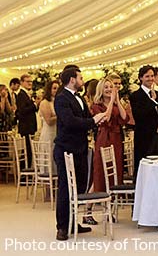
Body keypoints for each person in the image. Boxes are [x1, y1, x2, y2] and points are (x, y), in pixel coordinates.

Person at [53, 67, 108, 241]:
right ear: (72, 80)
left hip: (81, 148)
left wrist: (97, 120)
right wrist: (93, 120)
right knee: (65, 188)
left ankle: (73, 222)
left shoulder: (80, 98)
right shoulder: (61, 99)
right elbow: (70, 122)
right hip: (65, 149)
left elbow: (85, 119)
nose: (82, 80)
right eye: (80, 77)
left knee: (79, 187)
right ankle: (62, 227)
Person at [129, 65, 158, 174]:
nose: (150, 79)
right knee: (144, 166)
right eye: (147, 76)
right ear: (141, 78)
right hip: (144, 137)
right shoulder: (136, 96)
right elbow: (139, 116)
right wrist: (152, 101)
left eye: (152, 76)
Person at [90, 78, 127, 194]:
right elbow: (106, 119)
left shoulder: (116, 104)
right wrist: (111, 101)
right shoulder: (96, 106)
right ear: (101, 89)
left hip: (116, 138)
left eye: (111, 87)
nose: (109, 89)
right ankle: (94, 198)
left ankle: (113, 196)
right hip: (104, 137)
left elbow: (125, 118)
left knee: (116, 166)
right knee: (102, 168)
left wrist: (117, 101)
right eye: (106, 87)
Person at [15, 74, 38, 167]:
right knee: (27, 151)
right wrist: (35, 105)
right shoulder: (21, 94)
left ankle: (27, 169)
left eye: (31, 81)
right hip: (26, 126)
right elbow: (22, 111)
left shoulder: (27, 94)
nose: (30, 83)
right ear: (21, 82)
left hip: (29, 126)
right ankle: (24, 171)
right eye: (27, 81)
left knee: (29, 151)